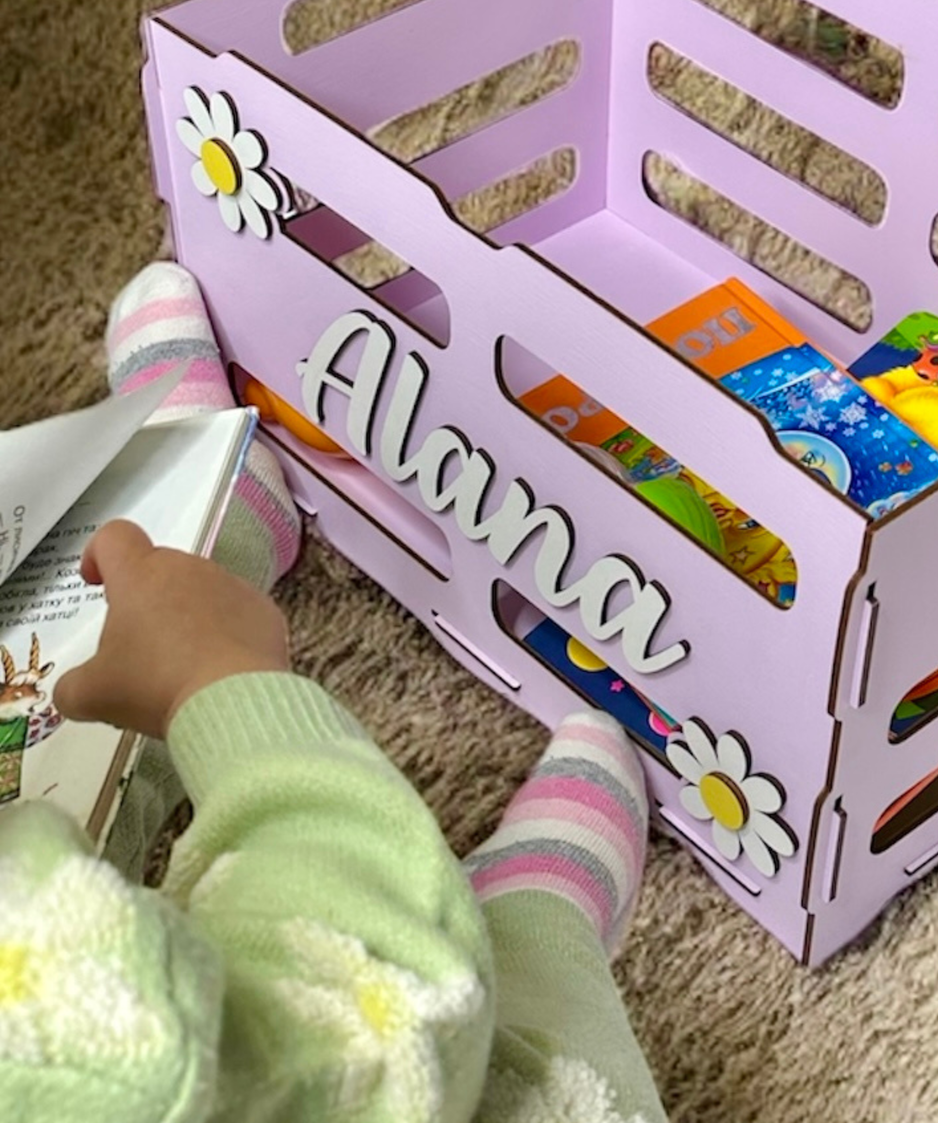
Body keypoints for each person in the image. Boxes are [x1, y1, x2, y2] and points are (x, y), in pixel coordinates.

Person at [0, 263, 668, 1123]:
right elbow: (371, 1015)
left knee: (58, 730)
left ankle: (223, 507)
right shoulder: (84, 1051)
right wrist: (221, 679)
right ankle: (539, 924)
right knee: (544, 1078)